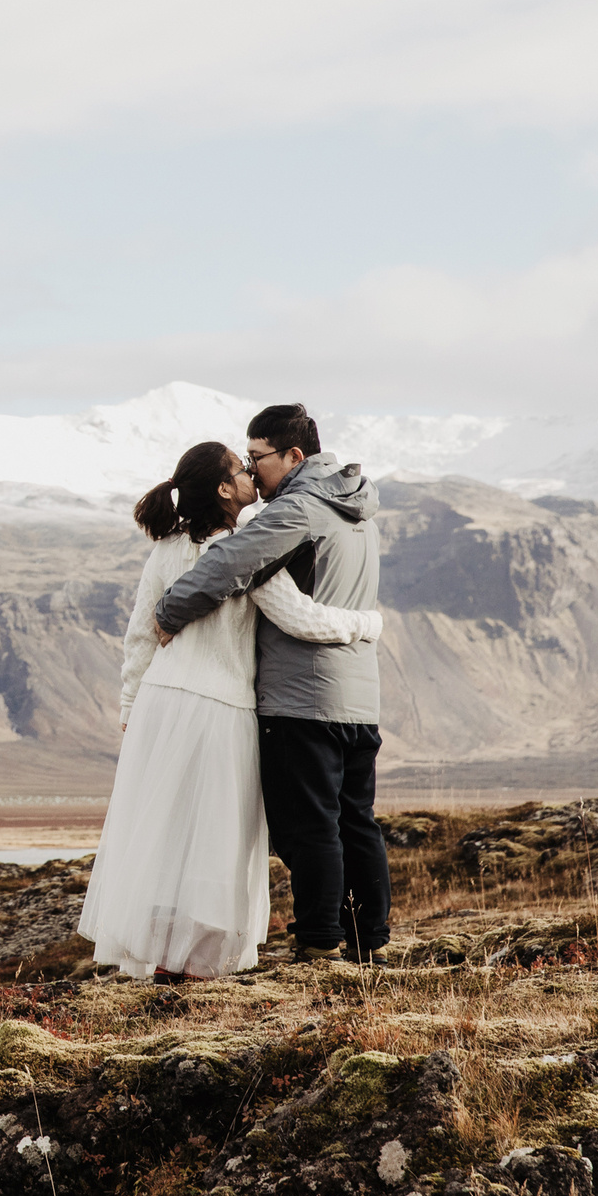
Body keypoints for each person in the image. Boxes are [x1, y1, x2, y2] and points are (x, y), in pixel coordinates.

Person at [77, 440, 380, 980]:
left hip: (161, 704)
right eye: (241, 469)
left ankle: (160, 960)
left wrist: (131, 706)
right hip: (222, 708)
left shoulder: (166, 549)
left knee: (164, 833)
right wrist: (369, 624)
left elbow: (139, 637)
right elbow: (300, 618)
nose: (250, 475)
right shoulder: (247, 549)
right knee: (216, 844)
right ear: (223, 489)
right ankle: (197, 964)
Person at [151, 403, 388, 962]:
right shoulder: (359, 511)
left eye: (257, 458)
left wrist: (169, 611)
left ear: (294, 456)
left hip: (303, 699)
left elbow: (227, 563)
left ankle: (318, 943)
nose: (252, 471)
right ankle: (369, 943)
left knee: (309, 828)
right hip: (359, 697)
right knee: (357, 822)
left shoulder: (298, 510)